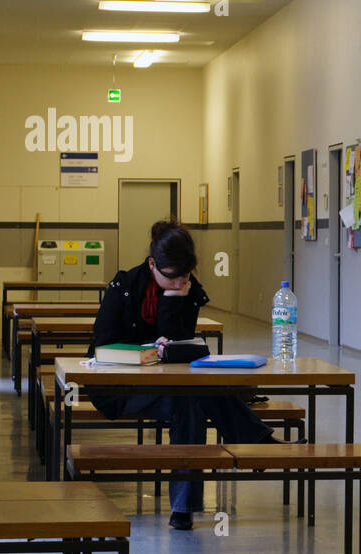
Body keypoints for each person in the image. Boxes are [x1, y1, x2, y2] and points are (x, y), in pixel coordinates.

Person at [88, 218, 279, 530]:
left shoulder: (188, 290)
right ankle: (253, 441)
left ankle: (184, 507)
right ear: (153, 265)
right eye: (172, 278)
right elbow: (103, 344)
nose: (180, 283)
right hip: (119, 386)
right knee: (188, 398)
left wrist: (173, 303)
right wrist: (147, 351)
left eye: (186, 276)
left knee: (192, 394)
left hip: (168, 383)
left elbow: (181, 345)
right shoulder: (123, 288)